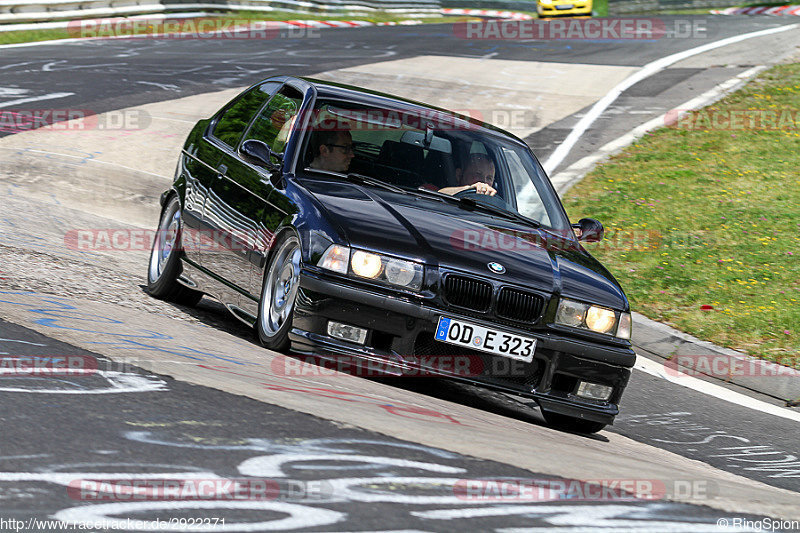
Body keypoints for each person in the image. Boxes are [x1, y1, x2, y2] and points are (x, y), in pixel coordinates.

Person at [425, 153, 497, 196]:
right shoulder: (431, 188)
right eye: (478, 174)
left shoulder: (496, 204)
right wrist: (470, 188)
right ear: (459, 175)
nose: (483, 182)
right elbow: (437, 194)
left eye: (489, 178)